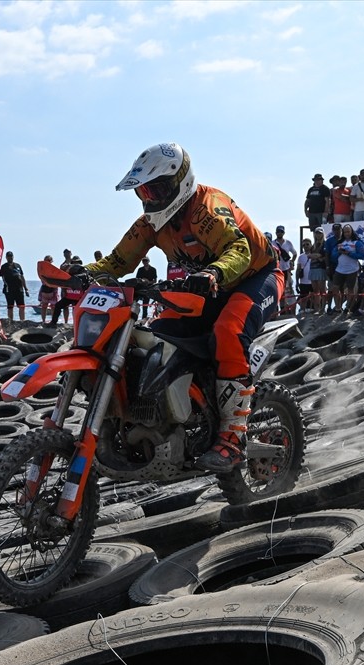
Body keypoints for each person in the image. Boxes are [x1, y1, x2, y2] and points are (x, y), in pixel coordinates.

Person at [87, 142, 282, 473]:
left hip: (255, 277)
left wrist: (213, 272)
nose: (150, 199)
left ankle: (233, 438)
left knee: (228, 332)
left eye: (156, 190)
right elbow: (117, 262)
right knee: (156, 335)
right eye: (144, 192)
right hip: (207, 287)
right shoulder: (150, 223)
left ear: (181, 181)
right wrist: (82, 273)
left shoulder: (207, 209)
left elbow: (239, 249)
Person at [331, 223, 364, 314]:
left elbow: (362, 255)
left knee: (350, 289)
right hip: (339, 269)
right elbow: (333, 256)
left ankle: (348, 307)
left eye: (348, 232)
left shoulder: (357, 242)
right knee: (335, 288)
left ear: (351, 232)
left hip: (352, 269)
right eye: (345, 232)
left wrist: (349, 253)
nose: (347, 234)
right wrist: (339, 252)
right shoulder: (339, 243)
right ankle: (338, 307)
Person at [0, 251, 28, 321]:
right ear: (6, 257)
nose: (10, 258)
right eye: (8, 256)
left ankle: (22, 321)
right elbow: (2, 276)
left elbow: (22, 277)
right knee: (10, 306)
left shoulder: (17, 265)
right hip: (9, 289)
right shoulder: (4, 266)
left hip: (19, 289)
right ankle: (10, 321)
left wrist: (26, 289)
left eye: (11, 256)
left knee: (21, 306)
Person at [306, 228, 329, 313]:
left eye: (320, 233)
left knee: (322, 289)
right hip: (313, 268)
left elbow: (320, 255)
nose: (318, 235)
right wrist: (315, 256)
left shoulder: (325, 244)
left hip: (320, 268)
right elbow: (310, 255)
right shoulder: (314, 245)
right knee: (315, 290)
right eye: (317, 233)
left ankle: (323, 308)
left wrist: (315, 256)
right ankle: (317, 308)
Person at [36, 255, 58, 323]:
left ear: (51, 261)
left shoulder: (54, 269)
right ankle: (43, 321)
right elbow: (41, 277)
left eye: (49, 260)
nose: (47, 262)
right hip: (45, 288)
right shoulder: (42, 269)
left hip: (53, 289)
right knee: (44, 306)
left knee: (53, 306)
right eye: (46, 260)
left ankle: (53, 321)